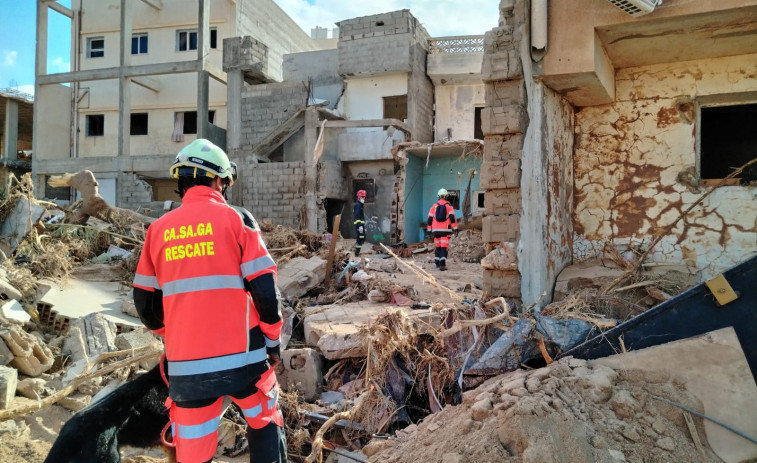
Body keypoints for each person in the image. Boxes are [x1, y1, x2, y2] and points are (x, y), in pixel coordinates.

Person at [132, 139, 286, 463]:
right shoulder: (238, 220)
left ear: (181, 181)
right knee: (266, 422)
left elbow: (146, 307)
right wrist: (273, 342)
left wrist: (182, 333)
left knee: (193, 454)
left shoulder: (158, 231)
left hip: (188, 372)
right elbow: (266, 291)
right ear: (219, 180)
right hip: (246, 363)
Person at [427, 188, 458, 271]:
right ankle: (442, 265)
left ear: (438, 196)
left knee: (438, 247)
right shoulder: (449, 206)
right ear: (446, 196)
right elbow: (452, 218)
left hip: (435, 230)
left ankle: (437, 263)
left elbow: (429, 219)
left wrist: (429, 230)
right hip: (445, 230)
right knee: (444, 247)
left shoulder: (434, 206)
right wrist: (455, 228)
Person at [353, 189, 366, 257]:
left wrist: (362, 226)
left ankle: (357, 252)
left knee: (362, 238)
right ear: (359, 197)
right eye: (362, 197)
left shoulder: (360, 205)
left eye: (364, 197)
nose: (364, 198)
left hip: (361, 226)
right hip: (359, 226)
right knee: (360, 238)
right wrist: (360, 226)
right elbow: (357, 216)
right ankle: (356, 253)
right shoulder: (358, 205)